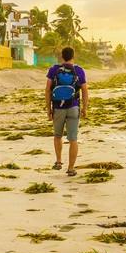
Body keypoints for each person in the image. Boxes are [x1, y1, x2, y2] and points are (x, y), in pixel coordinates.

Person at [46, 46, 88, 176]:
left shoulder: (54, 70)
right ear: (73, 56)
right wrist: (85, 108)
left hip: (58, 107)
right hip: (73, 107)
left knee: (57, 136)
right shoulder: (79, 71)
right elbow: (85, 90)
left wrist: (48, 109)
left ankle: (58, 162)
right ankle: (70, 168)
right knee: (73, 139)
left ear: (62, 56)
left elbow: (47, 89)